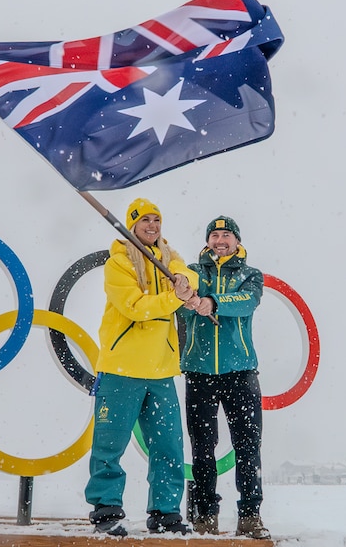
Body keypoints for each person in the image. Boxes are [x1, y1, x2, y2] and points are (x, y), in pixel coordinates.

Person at [85, 198, 198, 537]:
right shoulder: (118, 263)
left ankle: (165, 513)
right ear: (132, 225)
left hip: (161, 371)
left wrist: (181, 278)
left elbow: (189, 272)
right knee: (110, 445)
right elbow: (135, 307)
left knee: (168, 447)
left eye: (157, 220)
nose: (152, 226)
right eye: (145, 220)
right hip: (122, 369)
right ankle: (106, 510)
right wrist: (176, 297)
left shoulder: (169, 259)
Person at [179, 216, 272, 540]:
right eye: (215, 234)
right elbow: (182, 301)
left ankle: (250, 514)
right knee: (203, 448)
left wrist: (213, 301)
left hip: (240, 372)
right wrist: (188, 297)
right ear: (207, 241)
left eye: (226, 235)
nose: (220, 240)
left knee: (248, 446)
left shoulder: (251, 275)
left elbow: (247, 302)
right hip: (199, 372)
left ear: (236, 241)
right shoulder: (194, 271)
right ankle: (205, 515)